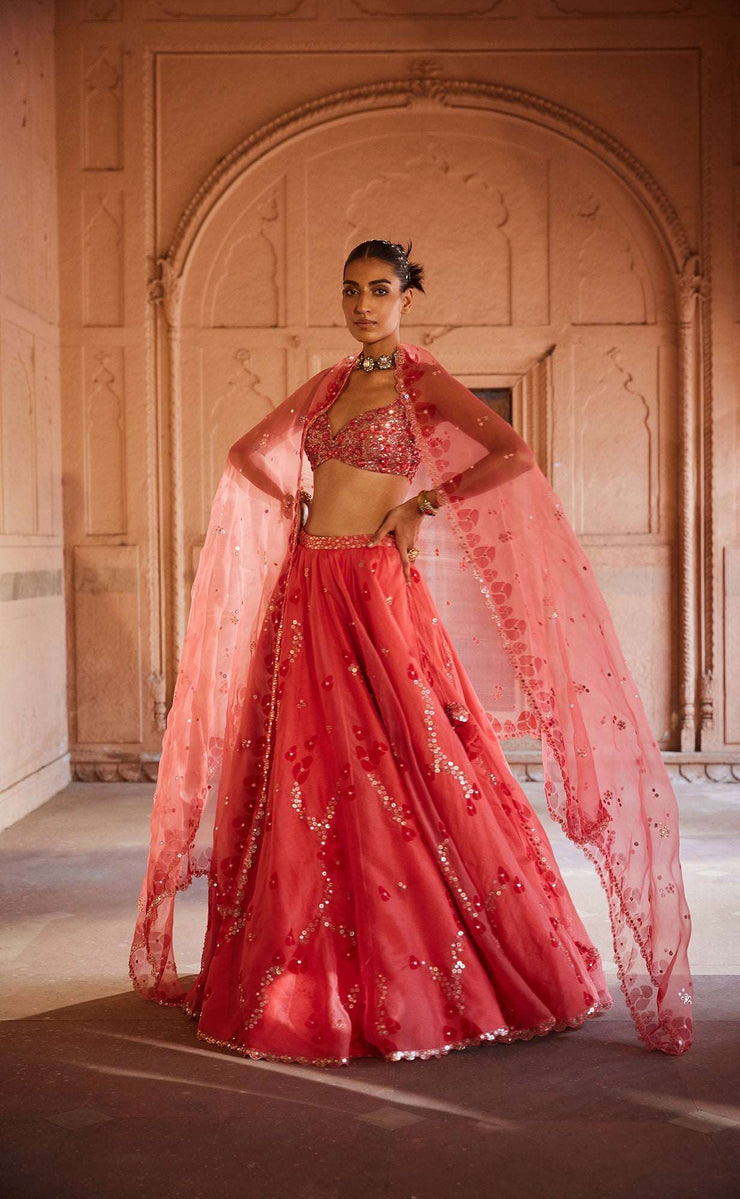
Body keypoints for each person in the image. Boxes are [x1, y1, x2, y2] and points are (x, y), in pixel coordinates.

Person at [130, 239, 693, 1065]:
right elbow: (247, 453)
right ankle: (310, 963)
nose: (364, 305)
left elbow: (513, 453)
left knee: (404, 765)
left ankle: (429, 969)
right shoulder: (326, 386)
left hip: (372, 589)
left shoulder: (418, 382)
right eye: (352, 290)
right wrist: (296, 503)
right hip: (306, 591)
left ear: (405, 298)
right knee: (304, 772)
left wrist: (426, 498)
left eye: (380, 291)